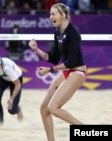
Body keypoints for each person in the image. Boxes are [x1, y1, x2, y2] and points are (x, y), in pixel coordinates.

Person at [28, 3, 86, 141]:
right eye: (50, 14)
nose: (50, 17)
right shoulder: (58, 32)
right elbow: (53, 58)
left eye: (53, 14)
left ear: (63, 15)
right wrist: (36, 50)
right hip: (67, 71)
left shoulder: (73, 32)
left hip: (77, 72)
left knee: (53, 108)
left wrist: (50, 70)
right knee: (44, 109)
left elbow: (71, 62)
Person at [0, 51, 23, 125]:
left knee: (12, 110)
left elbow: (17, 84)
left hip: (16, 80)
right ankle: (0, 124)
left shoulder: (6, 67)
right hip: (2, 78)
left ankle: (18, 109)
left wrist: (11, 99)